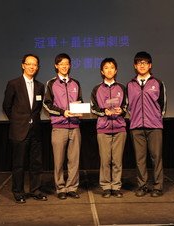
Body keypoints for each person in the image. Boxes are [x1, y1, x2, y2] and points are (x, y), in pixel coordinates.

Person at [2, 53, 47, 203]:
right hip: (19, 130)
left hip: (35, 130)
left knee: (36, 163)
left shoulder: (40, 86)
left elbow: (38, 108)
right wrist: (17, 121)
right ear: (23, 65)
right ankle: (18, 192)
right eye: (29, 64)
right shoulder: (13, 84)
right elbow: (7, 106)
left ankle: (36, 190)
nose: (32, 67)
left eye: (35, 64)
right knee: (19, 164)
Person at [126, 51, 167, 197]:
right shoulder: (130, 85)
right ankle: (142, 186)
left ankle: (158, 186)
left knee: (156, 157)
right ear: (135, 66)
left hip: (154, 127)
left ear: (150, 65)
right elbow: (127, 106)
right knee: (140, 158)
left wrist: (156, 119)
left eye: (145, 63)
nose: (142, 65)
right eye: (139, 63)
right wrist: (135, 118)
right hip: (136, 127)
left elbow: (163, 105)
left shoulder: (157, 83)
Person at [43, 53, 83, 200]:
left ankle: (72, 187)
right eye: (61, 64)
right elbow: (47, 105)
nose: (64, 66)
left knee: (74, 160)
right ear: (56, 66)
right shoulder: (51, 83)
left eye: (67, 63)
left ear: (70, 65)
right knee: (58, 160)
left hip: (75, 127)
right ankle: (60, 188)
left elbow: (79, 101)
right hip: (59, 127)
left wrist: (80, 112)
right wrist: (63, 112)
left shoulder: (75, 83)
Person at [90, 58, 128, 198]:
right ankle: (106, 186)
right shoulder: (96, 89)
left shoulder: (122, 88)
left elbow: (127, 106)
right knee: (105, 160)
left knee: (117, 160)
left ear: (116, 70)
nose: (109, 70)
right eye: (106, 67)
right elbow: (93, 108)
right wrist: (103, 112)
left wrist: (122, 111)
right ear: (102, 71)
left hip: (119, 128)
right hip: (103, 128)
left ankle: (116, 186)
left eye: (112, 67)